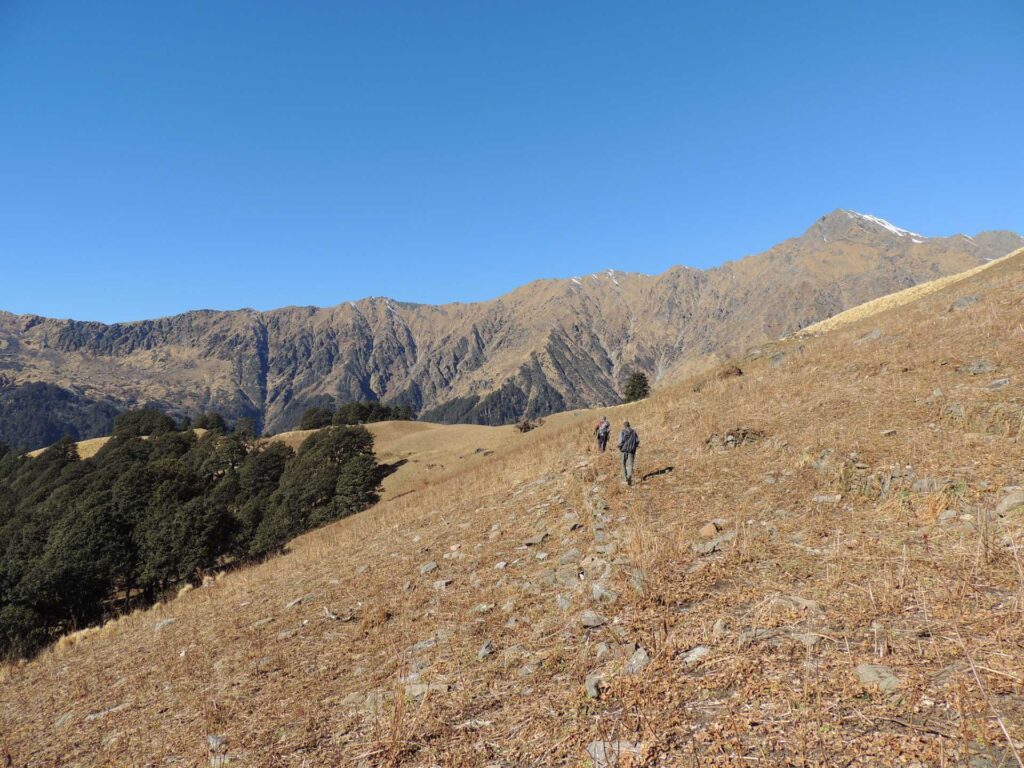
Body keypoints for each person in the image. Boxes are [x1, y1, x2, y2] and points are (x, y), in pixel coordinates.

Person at [618, 421, 639, 485]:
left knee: (623, 464)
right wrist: (634, 447)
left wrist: (619, 447)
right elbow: (637, 441)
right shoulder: (634, 432)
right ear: (629, 425)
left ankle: (625, 479)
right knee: (630, 465)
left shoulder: (622, 431)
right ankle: (629, 477)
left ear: (624, 426)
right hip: (631, 451)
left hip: (623, 451)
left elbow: (620, 441)